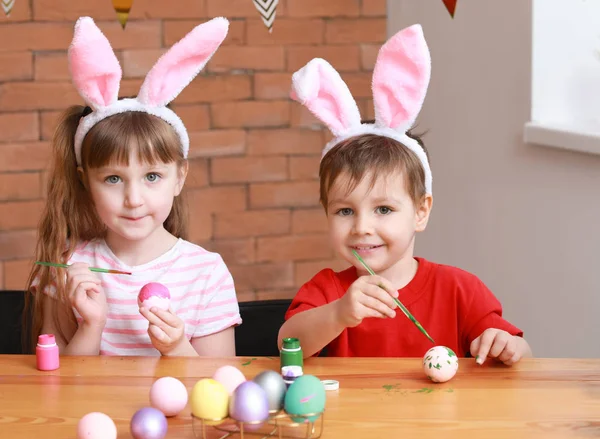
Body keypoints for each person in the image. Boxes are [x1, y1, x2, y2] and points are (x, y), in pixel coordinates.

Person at [278, 24, 532, 365]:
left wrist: (507, 346)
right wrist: (338, 314)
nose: (361, 227)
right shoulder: (328, 291)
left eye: (383, 209)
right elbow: (287, 344)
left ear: (421, 211)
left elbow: (524, 360)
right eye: (345, 211)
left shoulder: (459, 290)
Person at [25, 16, 241, 357]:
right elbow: (57, 387)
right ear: (85, 181)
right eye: (113, 179)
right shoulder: (69, 267)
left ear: (179, 177)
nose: (134, 199)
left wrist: (176, 346)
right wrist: (90, 325)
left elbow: (220, 384)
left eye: (152, 177)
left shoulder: (206, 273)